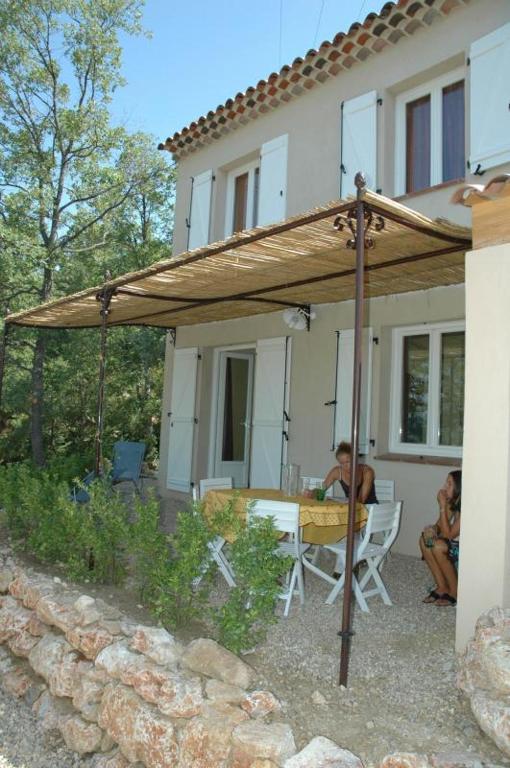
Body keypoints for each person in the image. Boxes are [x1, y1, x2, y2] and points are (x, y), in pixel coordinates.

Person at [420, 470, 461, 607]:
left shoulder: (466, 507)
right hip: (453, 544)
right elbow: (440, 527)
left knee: (437, 546)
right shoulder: (453, 502)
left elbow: (449, 535)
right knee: (425, 541)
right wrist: (432, 530)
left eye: (449, 484)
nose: (444, 487)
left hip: (467, 549)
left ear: (459, 487)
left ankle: (454, 592)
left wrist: (442, 506)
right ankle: (442, 587)